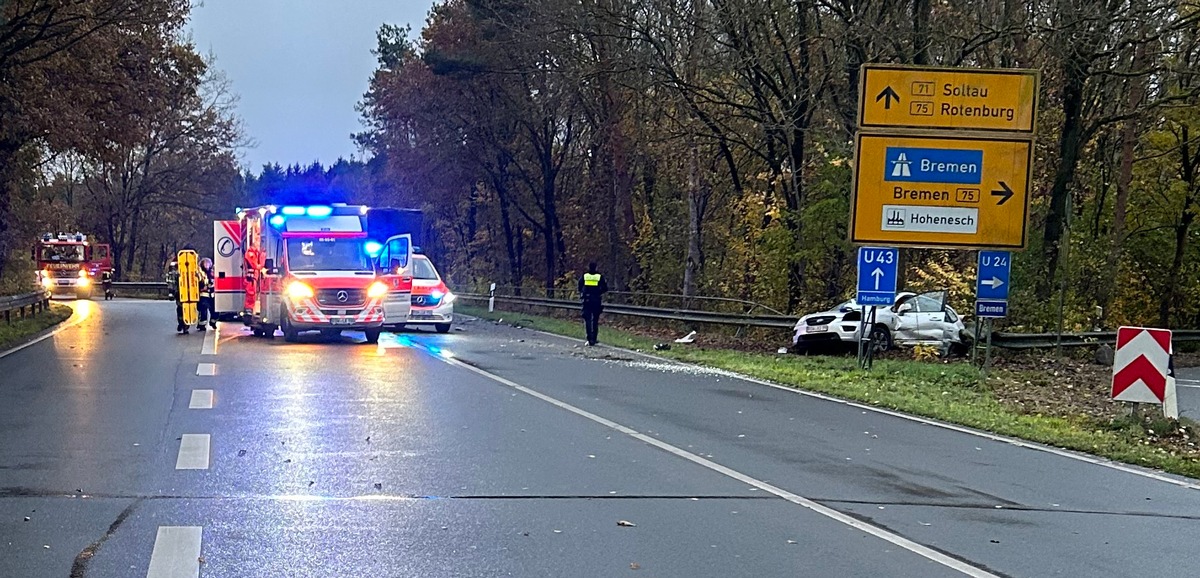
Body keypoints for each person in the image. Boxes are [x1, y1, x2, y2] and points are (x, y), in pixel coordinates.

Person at [578, 262, 609, 346]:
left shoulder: (585, 276)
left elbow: (579, 286)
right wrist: (598, 292)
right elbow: (605, 288)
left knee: (587, 319)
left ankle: (589, 338)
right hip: (596, 300)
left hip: (587, 300)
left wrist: (583, 293)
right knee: (595, 320)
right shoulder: (599, 276)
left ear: (588, 267)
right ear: (596, 267)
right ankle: (594, 338)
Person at [196, 257, 216, 330]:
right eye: (205, 263)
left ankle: (213, 322)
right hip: (203, 295)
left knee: (215, 310)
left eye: (208, 263)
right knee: (203, 309)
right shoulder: (200, 273)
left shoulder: (213, 272)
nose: (207, 265)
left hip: (212, 294)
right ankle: (201, 325)